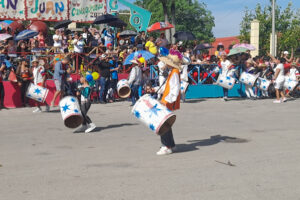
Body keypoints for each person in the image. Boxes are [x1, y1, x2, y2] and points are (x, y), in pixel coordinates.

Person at [156, 54, 181, 155]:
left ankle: (167, 146)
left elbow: (175, 90)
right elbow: (168, 88)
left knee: (163, 124)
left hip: (167, 102)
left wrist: (166, 100)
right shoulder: (173, 72)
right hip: (167, 101)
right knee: (166, 124)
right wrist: (155, 89)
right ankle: (171, 144)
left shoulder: (174, 72)